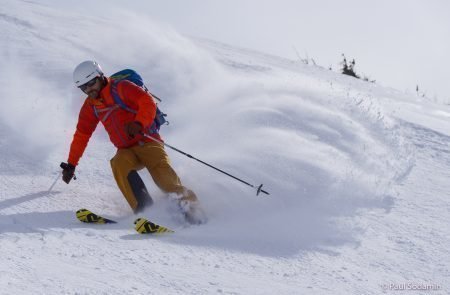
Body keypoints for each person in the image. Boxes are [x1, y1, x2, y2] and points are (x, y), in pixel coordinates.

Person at [61, 60, 204, 224]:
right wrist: (71, 164)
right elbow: (82, 134)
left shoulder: (121, 87)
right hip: (126, 150)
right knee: (118, 163)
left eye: (91, 83)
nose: (89, 90)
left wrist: (139, 123)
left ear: (100, 77)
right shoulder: (91, 106)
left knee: (164, 179)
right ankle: (145, 211)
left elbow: (147, 102)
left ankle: (195, 213)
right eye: (83, 87)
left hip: (148, 141)